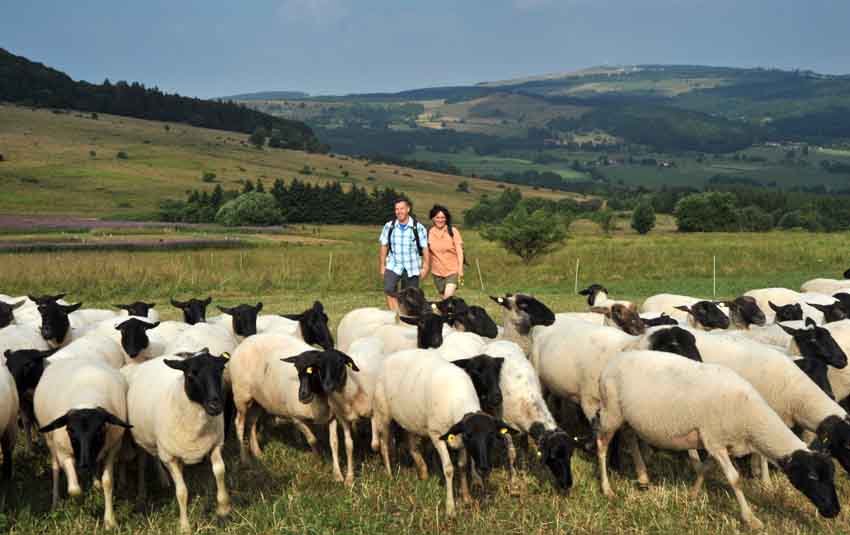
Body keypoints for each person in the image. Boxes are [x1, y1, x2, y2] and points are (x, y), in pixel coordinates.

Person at [378, 198, 429, 311]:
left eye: (402, 208)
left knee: (410, 296)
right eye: (396, 209)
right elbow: (384, 246)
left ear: (408, 209)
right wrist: (382, 266)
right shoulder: (389, 226)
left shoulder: (418, 228)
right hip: (393, 264)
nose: (399, 211)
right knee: (389, 289)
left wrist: (425, 267)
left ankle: (407, 318)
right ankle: (395, 316)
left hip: (412, 266)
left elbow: (425, 248)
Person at [427, 204, 464, 299]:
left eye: (443, 217)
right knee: (445, 301)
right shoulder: (429, 233)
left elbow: (459, 251)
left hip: (452, 270)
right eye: (437, 217)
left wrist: (460, 270)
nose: (440, 220)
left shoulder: (453, 231)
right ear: (433, 218)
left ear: (446, 218)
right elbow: (426, 253)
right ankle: (458, 311)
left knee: (447, 298)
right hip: (437, 272)